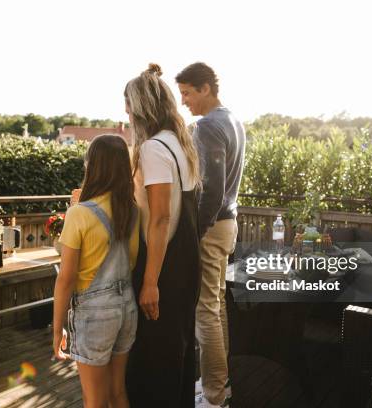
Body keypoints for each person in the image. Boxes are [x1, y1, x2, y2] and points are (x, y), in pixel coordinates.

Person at [124, 63, 202, 408]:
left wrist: (150, 281)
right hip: (186, 263)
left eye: (128, 107)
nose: (126, 114)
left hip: (164, 266)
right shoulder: (179, 143)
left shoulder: (154, 149)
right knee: (178, 354)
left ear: (141, 109)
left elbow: (159, 219)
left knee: (154, 361)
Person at [176, 62, 246, 408]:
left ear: (206, 88)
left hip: (212, 225)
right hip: (228, 224)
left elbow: (213, 190)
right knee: (216, 306)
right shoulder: (234, 120)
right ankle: (221, 385)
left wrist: (194, 232)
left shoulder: (207, 126)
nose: (184, 101)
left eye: (187, 93)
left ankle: (214, 397)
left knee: (205, 311)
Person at [53, 134, 140, 408]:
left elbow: (66, 278)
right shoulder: (133, 211)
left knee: (94, 400)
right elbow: (133, 262)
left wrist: (57, 330)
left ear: (93, 167)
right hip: (127, 307)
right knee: (118, 393)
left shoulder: (79, 214)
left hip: (95, 313)